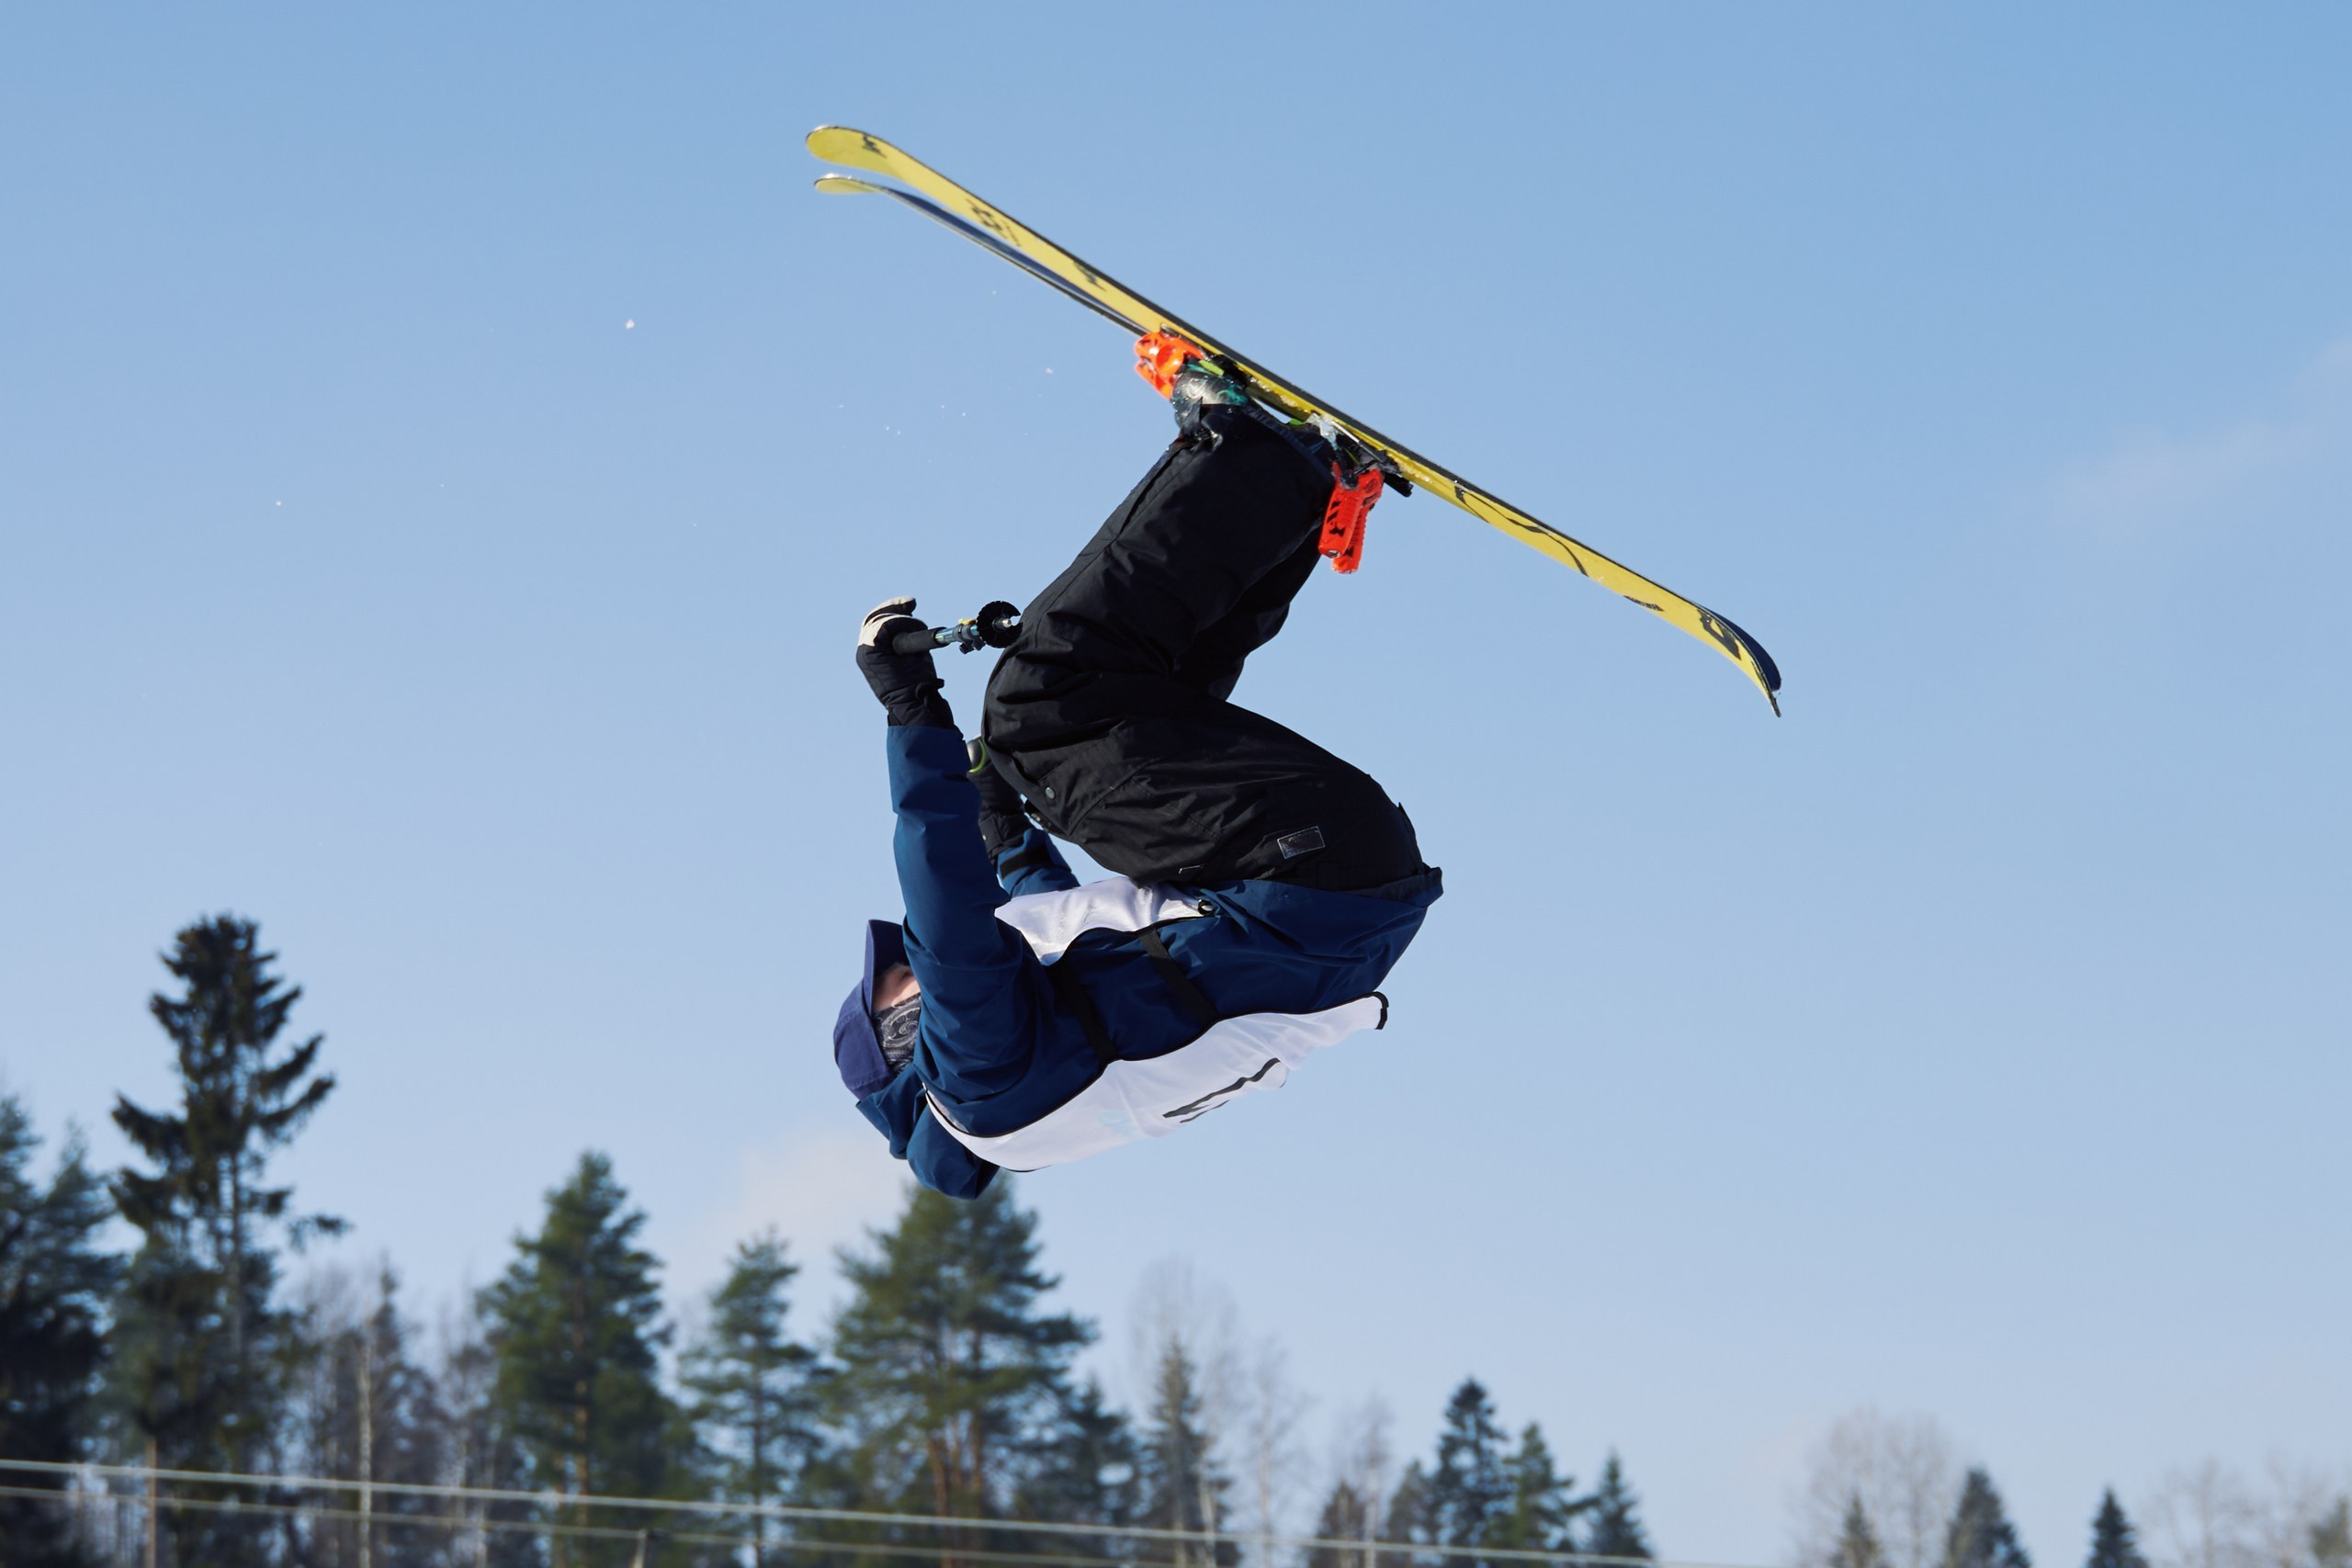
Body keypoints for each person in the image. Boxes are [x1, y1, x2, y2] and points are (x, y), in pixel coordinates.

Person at [834, 355, 1442, 1198]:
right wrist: (911, 714)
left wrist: (1002, 822)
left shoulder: (1017, 1099)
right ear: (896, 1037)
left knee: (1121, 713)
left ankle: (1310, 497)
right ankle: (1258, 459)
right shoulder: (968, 1073)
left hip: (1344, 902)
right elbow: (945, 898)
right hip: (1308, 886)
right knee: (1035, 705)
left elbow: (1060, 917)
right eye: (902, 976)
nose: (914, 959)